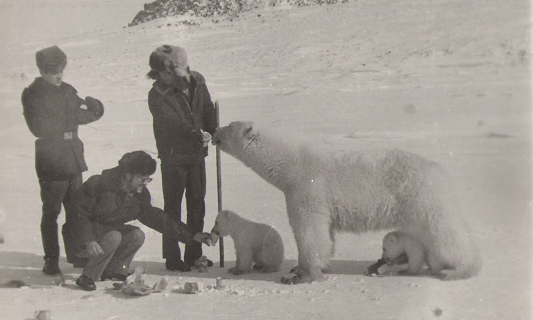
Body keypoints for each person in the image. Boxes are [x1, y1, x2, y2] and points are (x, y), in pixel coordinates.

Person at [62, 151, 214, 291]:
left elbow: (157, 219)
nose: (145, 183)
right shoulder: (98, 184)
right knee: (114, 235)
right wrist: (88, 240)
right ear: (128, 175)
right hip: (80, 241)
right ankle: (88, 276)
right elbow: (77, 215)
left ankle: (115, 270)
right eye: (142, 178)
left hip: (106, 238)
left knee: (136, 235)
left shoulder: (138, 195)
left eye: (148, 179)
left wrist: (191, 235)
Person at [21, 45, 105, 276]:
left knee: (77, 209)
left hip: (73, 158)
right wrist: (70, 116)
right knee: (51, 212)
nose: (58, 75)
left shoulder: (68, 90)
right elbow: (37, 126)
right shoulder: (32, 94)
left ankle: (77, 256)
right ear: (42, 70)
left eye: (60, 70)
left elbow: (84, 114)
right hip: (52, 160)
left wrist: (97, 110)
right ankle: (51, 260)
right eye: (52, 71)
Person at [146, 45, 217, 272]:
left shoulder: (197, 82)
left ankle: (193, 254)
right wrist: (194, 134)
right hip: (173, 157)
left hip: (196, 155)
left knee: (197, 206)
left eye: (173, 71)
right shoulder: (157, 94)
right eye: (163, 73)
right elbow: (170, 122)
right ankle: (173, 257)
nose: (168, 77)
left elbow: (206, 108)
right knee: (173, 209)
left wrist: (214, 131)